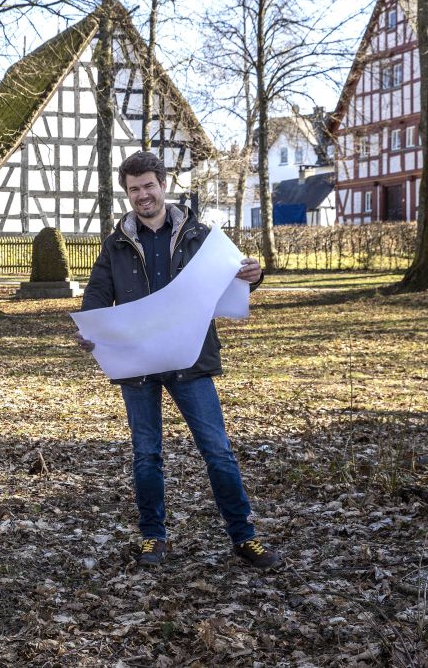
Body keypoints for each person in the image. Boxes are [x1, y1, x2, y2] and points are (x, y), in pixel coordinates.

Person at [75, 151, 281, 569]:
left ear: (163, 184)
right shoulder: (115, 245)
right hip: (137, 364)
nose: (142, 195)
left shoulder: (200, 235)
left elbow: (234, 280)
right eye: (133, 190)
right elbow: (97, 294)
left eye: (148, 186)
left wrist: (254, 277)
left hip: (191, 360)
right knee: (146, 454)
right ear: (127, 193)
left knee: (217, 450)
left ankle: (244, 537)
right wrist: (90, 328)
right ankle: (154, 537)